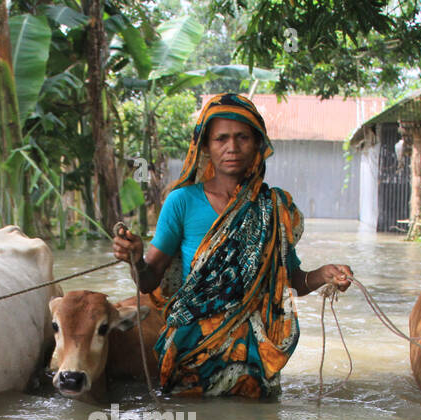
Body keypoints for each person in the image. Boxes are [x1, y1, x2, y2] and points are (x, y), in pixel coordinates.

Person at [113, 92, 354, 399]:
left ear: (258, 144)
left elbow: (293, 281)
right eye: (221, 139)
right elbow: (148, 281)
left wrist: (325, 275)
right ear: (205, 147)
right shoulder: (182, 202)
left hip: (254, 360)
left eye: (242, 137)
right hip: (191, 353)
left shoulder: (273, 207)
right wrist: (135, 259)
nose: (232, 147)